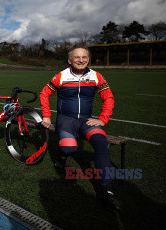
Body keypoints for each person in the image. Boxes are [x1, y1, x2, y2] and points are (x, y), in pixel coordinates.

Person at [39, 44, 120, 212]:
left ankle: (106, 190)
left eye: (84, 57)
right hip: (66, 120)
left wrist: (102, 119)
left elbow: (109, 98)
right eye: (77, 57)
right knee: (69, 148)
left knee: (100, 140)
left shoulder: (96, 76)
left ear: (88, 59)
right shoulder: (61, 76)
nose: (81, 60)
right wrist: (46, 115)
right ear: (70, 60)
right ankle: (61, 158)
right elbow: (44, 93)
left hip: (86, 121)